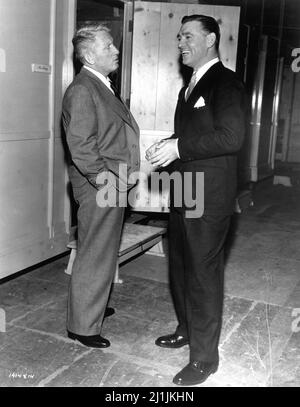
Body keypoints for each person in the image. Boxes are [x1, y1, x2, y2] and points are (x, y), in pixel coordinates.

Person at [146, 15, 246, 385]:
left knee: (203, 275)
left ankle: (205, 359)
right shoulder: (188, 87)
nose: (180, 43)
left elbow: (231, 138)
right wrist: (169, 142)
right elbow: (195, 133)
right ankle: (187, 330)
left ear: (211, 39)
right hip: (185, 190)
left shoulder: (226, 82)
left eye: (188, 36)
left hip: (210, 194)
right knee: (180, 266)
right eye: (178, 37)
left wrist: (179, 146)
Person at [62, 23, 140, 348]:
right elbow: (81, 146)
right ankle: (82, 326)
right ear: (90, 55)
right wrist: (107, 182)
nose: (116, 50)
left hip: (110, 183)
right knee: (95, 253)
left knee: (104, 251)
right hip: (100, 185)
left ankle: (91, 306)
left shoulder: (100, 84)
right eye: (109, 46)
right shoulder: (82, 89)